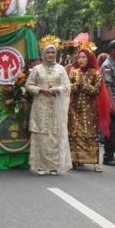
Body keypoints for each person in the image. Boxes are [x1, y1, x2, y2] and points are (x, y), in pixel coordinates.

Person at [26, 43, 72, 175]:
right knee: (41, 134)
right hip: (40, 106)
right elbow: (28, 85)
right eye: (48, 52)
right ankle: (40, 166)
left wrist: (56, 89)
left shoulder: (61, 69)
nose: (50, 55)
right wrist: (40, 89)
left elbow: (67, 86)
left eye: (53, 52)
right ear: (43, 54)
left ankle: (54, 166)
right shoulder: (37, 69)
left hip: (56, 105)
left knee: (55, 135)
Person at [67, 48, 110, 172]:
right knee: (74, 133)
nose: (80, 60)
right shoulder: (73, 72)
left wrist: (84, 84)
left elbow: (96, 90)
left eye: (83, 57)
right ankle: (75, 159)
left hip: (90, 109)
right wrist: (77, 84)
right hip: (74, 108)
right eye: (79, 57)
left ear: (89, 59)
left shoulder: (96, 73)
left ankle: (94, 161)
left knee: (90, 133)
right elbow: (69, 88)